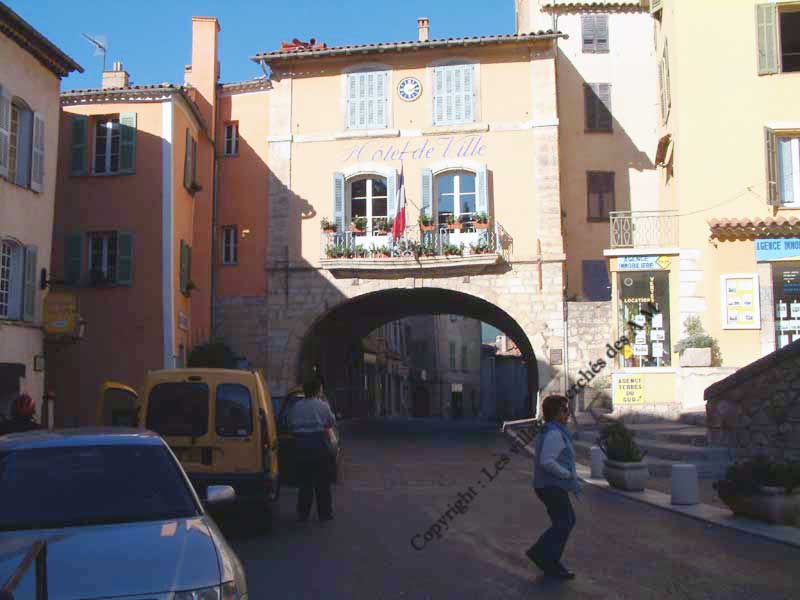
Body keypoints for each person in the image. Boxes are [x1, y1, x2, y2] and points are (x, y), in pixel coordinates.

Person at [526, 394, 581, 580]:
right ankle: (544, 556)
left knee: (564, 521)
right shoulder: (554, 433)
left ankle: (549, 559)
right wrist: (567, 474)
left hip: (547, 485)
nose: (568, 414)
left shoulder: (551, 430)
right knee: (565, 521)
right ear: (556, 413)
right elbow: (547, 461)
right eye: (565, 410)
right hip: (551, 486)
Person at [288, 374, 336, 522]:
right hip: (319, 445)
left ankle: (303, 513)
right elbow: (331, 422)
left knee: (305, 483)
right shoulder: (322, 405)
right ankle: (324, 513)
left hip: (301, 446)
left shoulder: (296, 407)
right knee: (322, 483)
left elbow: (291, 424)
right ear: (317, 391)